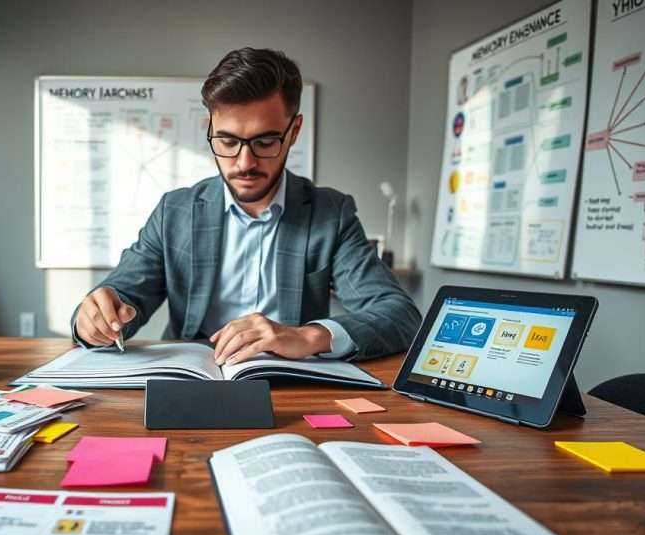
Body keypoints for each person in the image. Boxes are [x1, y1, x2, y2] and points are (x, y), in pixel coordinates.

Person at [71, 47, 420, 363]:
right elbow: (122, 294)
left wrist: (306, 336)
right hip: (190, 381)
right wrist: (96, 319)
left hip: (295, 388)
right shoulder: (174, 212)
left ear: (294, 131)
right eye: (227, 140)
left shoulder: (331, 214)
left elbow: (399, 314)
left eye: (265, 141)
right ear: (209, 128)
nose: (244, 162)